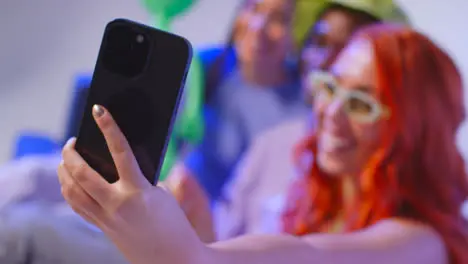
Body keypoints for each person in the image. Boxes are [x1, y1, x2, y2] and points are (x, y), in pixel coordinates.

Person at [59, 23, 468, 264]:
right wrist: (199, 233)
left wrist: (193, 255)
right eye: (330, 86)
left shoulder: (422, 242)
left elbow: (309, 256)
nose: (331, 112)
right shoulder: (317, 193)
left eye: (361, 103)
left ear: (415, 130)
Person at [169, 0, 408, 240]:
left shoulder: (393, 189)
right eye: (319, 42)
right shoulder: (273, 144)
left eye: (349, 50)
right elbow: (218, 241)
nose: (326, 60)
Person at [174, 0, 321, 203]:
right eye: (253, 8)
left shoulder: (309, 104)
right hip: (181, 221)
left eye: (278, 19)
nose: (258, 26)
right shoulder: (202, 67)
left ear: (298, 32)